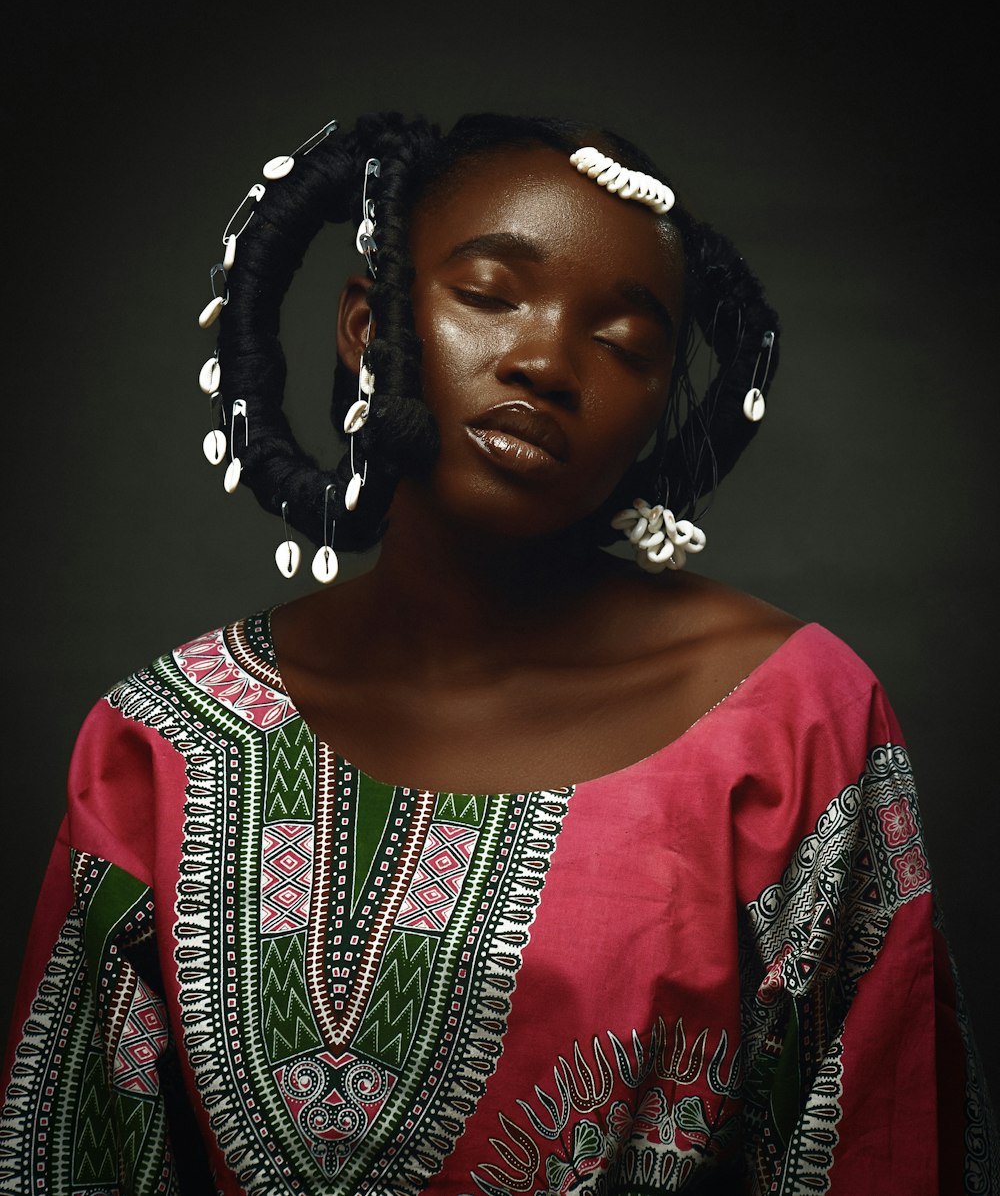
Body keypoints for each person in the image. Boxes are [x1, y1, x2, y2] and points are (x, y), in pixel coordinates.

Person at [0, 112, 994, 1195]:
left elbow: (885, 1143)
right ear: (369, 323)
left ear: (661, 404)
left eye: (622, 343)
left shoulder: (798, 719)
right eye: (488, 294)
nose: (545, 360)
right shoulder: (160, 736)